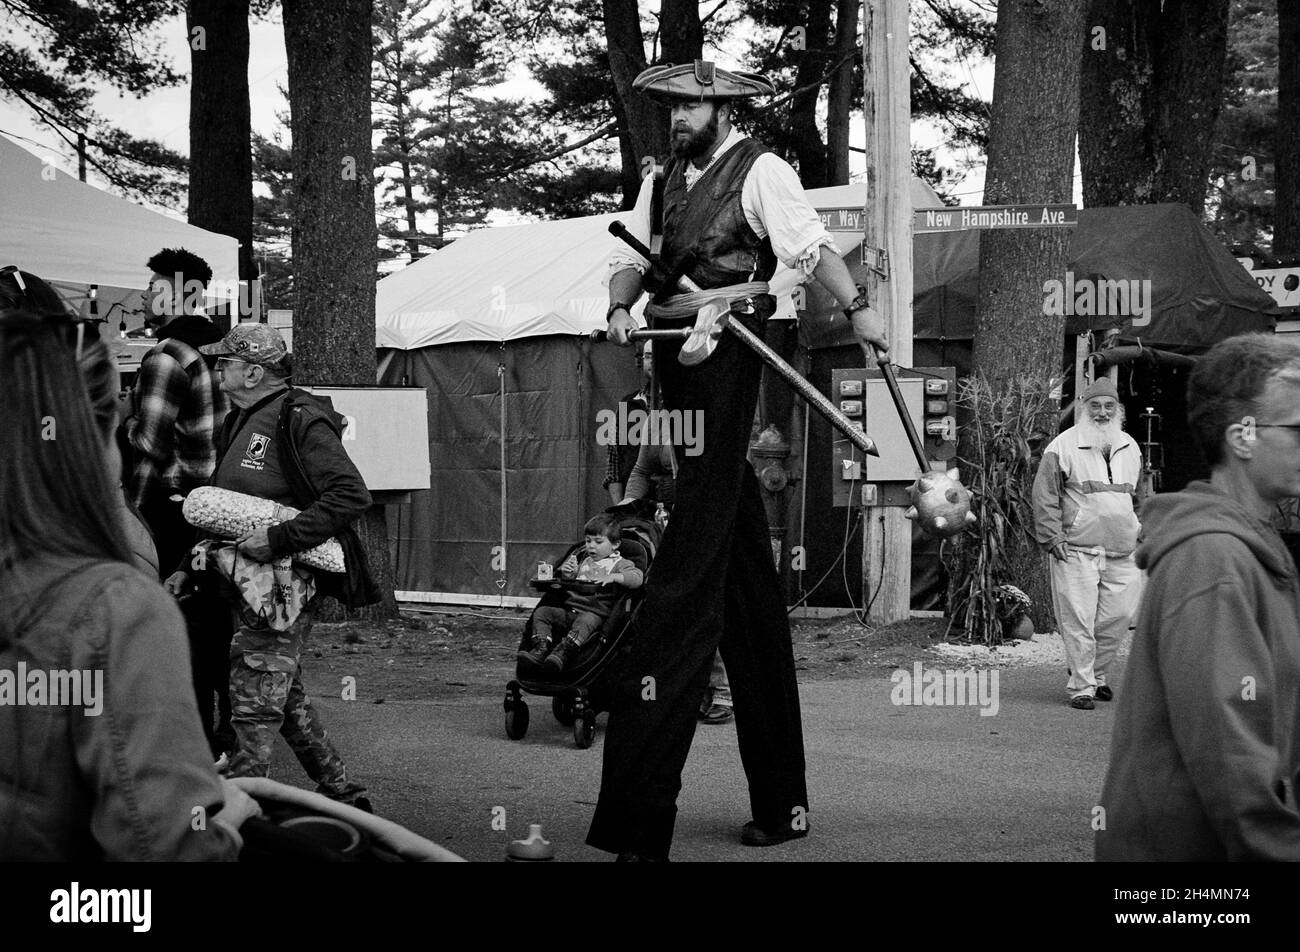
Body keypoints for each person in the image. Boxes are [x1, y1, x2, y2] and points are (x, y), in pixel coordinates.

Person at [593, 60, 889, 860]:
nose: (677, 119)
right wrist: (621, 305)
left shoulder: (763, 170)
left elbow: (810, 246)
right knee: (747, 589)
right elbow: (627, 252)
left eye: (689, 107)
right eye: (671, 109)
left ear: (723, 105)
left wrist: (859, 311)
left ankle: (636, 826)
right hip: (676, 356)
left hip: (733, 348)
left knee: (682, 581)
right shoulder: (665, 182)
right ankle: (781, 804)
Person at [0, 304, 258, 860]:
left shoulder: (168, 361)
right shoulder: (110, 609)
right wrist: (229, 823)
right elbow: (166, 845)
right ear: (88, 437)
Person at [1096, 333, 1300, 861]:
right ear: (1243, 437)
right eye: (1297, 428)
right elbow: (1229, 748)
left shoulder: (1245, 546)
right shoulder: (1213, 558)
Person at [166, 323, 373, 810]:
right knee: (284, 692)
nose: (218, 369)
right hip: (239, 582)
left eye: (227, 362)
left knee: (256, 700)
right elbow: (224, 506)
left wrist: (280, 538)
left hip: (282, 585)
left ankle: (240, 815)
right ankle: (344, 796)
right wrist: (186, 564)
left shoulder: (298, 418)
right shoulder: (238, 419)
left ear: (254, 371)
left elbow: (350, 495)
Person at [121, 247, 235, 756]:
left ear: (174, 291)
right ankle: (231, 734)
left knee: (177, 622)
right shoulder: (222, 347)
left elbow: (148, 441)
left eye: (152, 286)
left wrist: (118, 417)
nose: (145, 295)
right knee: (217, 620)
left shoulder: (167, 355)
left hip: (170, 508)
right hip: (221, 506)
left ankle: (193, 741)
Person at [1031, 377, 1143, 709]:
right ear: (1084, 408)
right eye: (1095, 405)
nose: (1102, 412)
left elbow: (1138, 495)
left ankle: (1096, 673)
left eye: (1109, 406)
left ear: (1118, 410)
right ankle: (1082, 686)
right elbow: (1045, 495)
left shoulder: (1131, 446)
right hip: (1076, 549)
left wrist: (1143, 530)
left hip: (1124, 549)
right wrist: (1052, 537)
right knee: (1078, 618)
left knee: (1119, 616)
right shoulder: (1062, 446)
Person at [519, 514, 645, 672]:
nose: (591, 546)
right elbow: (574, 582)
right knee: (543, 612)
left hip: (595, 613)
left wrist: (615, 577)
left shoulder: (621, 564)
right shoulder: (585, 561)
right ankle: (541, 647)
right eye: (588, 541)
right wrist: (568, 574)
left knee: (584, 621)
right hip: (571, 611)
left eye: (598, 542)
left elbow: (637, 578)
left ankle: (564, 651)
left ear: (615, 544)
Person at [603, 344, 653, 505]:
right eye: (649, 356)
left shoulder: (683, 404)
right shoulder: (626, 405)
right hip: (634, 504)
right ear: (641, 360)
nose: (653, 361)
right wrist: (620, 510)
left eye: (660, 355)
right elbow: (614, 463)